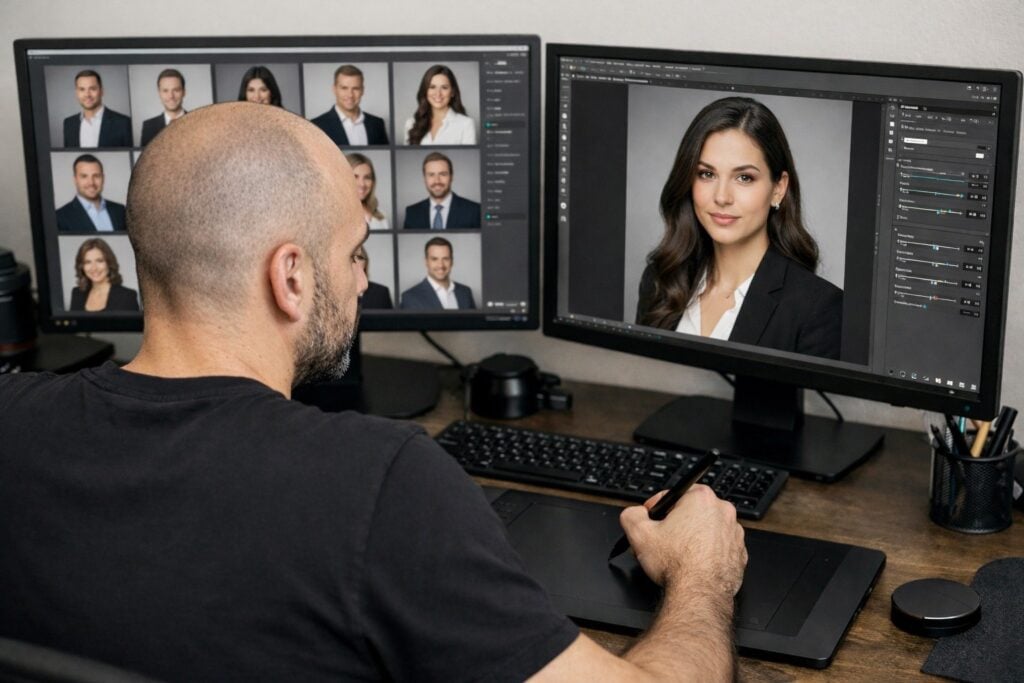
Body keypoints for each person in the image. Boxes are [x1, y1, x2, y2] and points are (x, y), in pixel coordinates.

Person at [0, 102, 747, 681]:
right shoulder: (382, 485)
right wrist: (701, 575)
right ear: (290, 277)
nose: (364, 279)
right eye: (355, 253)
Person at [636, 96, 843, 360]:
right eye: (707, 174)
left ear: (778, 188)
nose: (722, 197)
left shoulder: (819, 308)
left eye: (744, 177)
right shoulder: (660, 280)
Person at [311, 64, 389, 146]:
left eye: (355, 88)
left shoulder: (377, 124)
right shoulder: (317, 126)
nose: (350, 95)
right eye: (344, 88)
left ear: (362, 90)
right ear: (334, 89)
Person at [403, 152, 480, 229]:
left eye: (443, 174)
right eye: (431, 175)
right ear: (424, 179)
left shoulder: (474, 211)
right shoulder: (412, 213)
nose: (437, 181)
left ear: (451, 177)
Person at [403, 64, 476, 145]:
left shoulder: (466, 124)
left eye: (444, 87)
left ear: (452, 92)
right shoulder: (411, 123)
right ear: (425, 91)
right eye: (432, 87)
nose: (438, 93)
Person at [399, 237, 476, 310]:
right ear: (426, 262)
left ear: (452, 261)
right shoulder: (410, 297)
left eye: (445, 259)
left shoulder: (465, 292)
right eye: (434, 259)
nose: (440, 265)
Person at [56, 154, 127, 233]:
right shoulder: (60, 217)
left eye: (96, 176)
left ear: (103, 178)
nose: (91, 183)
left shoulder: (120, 210)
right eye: (84, 176)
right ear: (75, 180)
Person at [62, 69, 133, 148]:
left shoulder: (123, 123)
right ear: (77, 93)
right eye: (82, 89)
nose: (87, 95)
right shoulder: (69, 124)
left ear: (101, 91)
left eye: (92, 89)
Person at [68, 237, 140, 312]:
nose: (94, 268)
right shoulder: (77, 294)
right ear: (81, 266)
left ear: (109, 263)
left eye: (99, 261)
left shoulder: (127, 296)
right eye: (87, 262)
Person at [140, 69, 187, 146]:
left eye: (176, 90)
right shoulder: (148, 127)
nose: (171, 96)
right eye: (165, 91)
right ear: (159, 93)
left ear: (184, 92)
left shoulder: (197, 123)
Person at [346, 152, 390, 230]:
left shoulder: (381, 215)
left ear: (373, 181)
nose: (362, 184)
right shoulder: (334, 216)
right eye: (355, 177)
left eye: (367, 177)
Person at [356, 244, 393, 310]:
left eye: (359, 257)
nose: (355, 262)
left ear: (365, 263)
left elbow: (390, 320)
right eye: (350, 258)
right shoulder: (335, 292)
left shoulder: (381, 292)